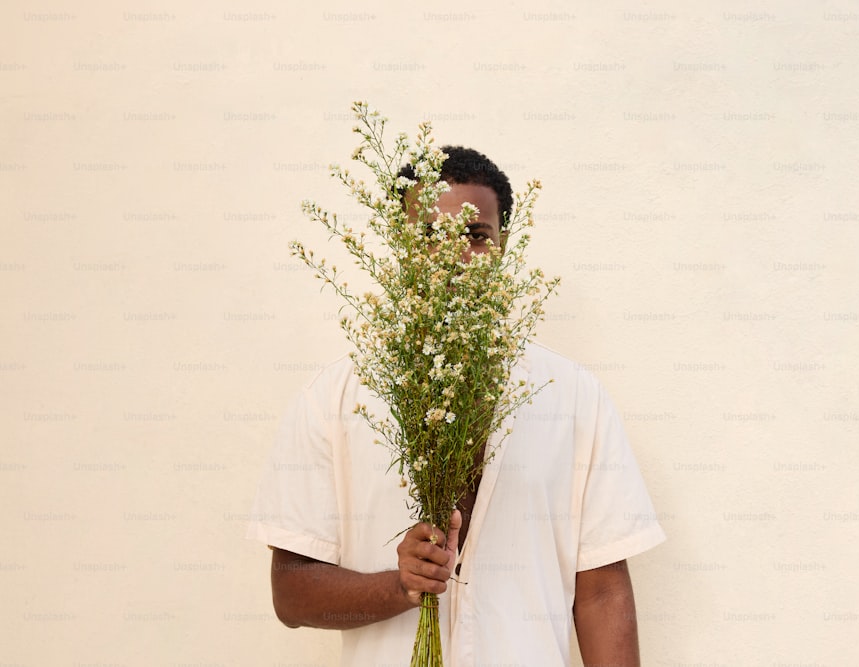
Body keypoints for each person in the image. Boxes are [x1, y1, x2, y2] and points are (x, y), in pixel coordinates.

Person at [247, 146, 666, 666]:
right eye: (429, 236)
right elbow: (291, 594)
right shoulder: (332, 398)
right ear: (400, 245)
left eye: (475, 235)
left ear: (503, 245)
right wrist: (398, 587)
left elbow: (603, 591)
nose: (454, 255)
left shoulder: (573, 397)